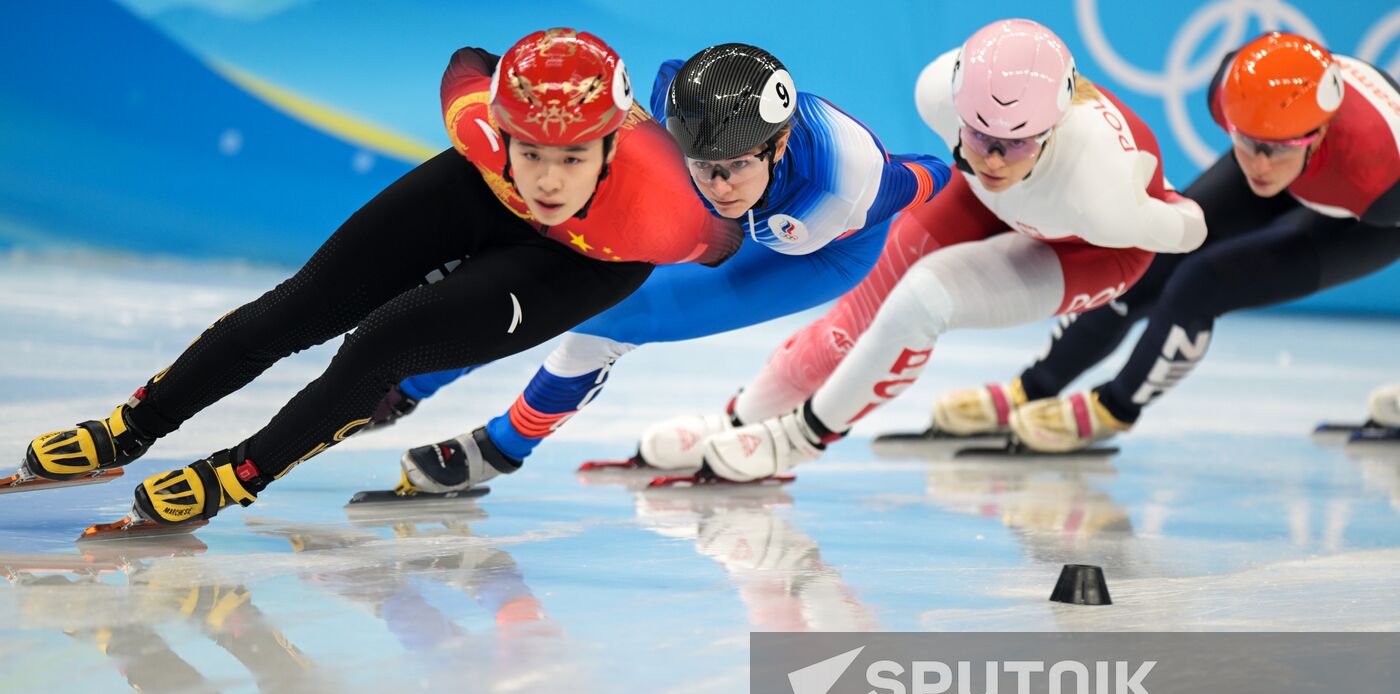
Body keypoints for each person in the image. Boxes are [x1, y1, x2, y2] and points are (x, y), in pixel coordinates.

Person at [16, 28, 742, 527]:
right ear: (501, 130)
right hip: (481, 194)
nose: (550, 180)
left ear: (612, 144)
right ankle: (130, 427)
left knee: (382, 345)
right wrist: (508, 160)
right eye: (532, 150)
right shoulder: (477, 127)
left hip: (582, 261)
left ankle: (237, 474)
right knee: (297, 310)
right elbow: (469, 60)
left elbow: (731, 239)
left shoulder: (673, 214)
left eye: (574, 156)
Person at [381, 43, 950, 495]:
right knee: (553, 272)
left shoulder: (850, 185)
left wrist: (964, 162)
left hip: (814, 252)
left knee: (609, 318)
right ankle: (407, 381)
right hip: (742, 216)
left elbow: (927, 173)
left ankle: (503, 447)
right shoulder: (681, 103)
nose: (719, 184)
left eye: (734, 167)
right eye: (703, 165)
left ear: (777, 146)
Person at [680, 19, 1207, 481]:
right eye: (978, 136)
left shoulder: (1101, 192)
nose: (996, 159)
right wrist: (986, 154)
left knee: (925, 300)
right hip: (979, 198)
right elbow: (985, 159)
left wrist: (1153, 209)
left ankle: (798, 438)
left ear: (1054, 130)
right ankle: (738, 420)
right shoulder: (937, 89)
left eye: (1017, 143)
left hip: (1096, 248)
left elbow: (1194, 230)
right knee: (851, 324)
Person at [926, 31, 1400, 453]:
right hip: (1323, 170)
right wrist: (1267, 146)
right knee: (1149, 255)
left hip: (1374, 220)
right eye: (1244, 140)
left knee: (1203, 283)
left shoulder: (1379, 174)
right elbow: (1262, 144)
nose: (1257, 164)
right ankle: (1030, 390)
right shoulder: (1231, 84)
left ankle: (1113, 408)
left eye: (1275, 149)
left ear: (1317, 135)